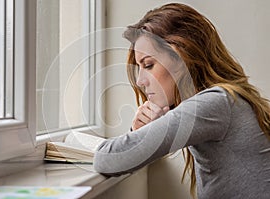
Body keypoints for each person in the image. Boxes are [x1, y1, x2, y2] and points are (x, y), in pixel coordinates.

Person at [93, 3, 270, 199]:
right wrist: (139, 132)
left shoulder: (215, 104)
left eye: (149, 65)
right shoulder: (226, 100)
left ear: (180, 57)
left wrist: (139, 134)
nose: (140, 81)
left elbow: (107, 159)